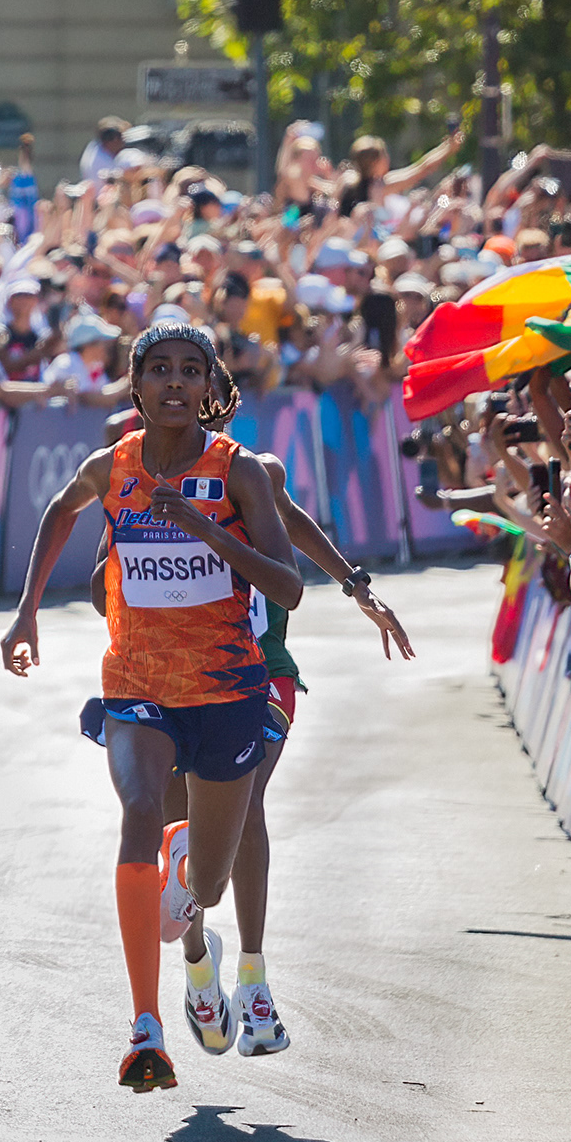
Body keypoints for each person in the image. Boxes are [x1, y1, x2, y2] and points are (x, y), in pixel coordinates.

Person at [1, 322, 303, 1092]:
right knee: (139, 810)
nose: (174, 383)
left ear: (210, 386)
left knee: (205, 879)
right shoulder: (112, 465)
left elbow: (288, 585)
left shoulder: (240, 473)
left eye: (190, 370)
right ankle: (146, 1028)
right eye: (159, 370)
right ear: (134, 386)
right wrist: (27, 610)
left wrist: (209, 532)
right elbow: (58, 514)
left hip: (227, 691)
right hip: (136, 684)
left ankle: (200, 954)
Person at [86, 451, 414, 1055]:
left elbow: (297, 527)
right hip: (174, 680)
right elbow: (103, 587)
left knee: (249, 800)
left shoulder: (252, 474)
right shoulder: (137, 489)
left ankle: (255, 982)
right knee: (177, 822)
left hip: (263, 673)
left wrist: (360, 591)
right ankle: (197, 966)